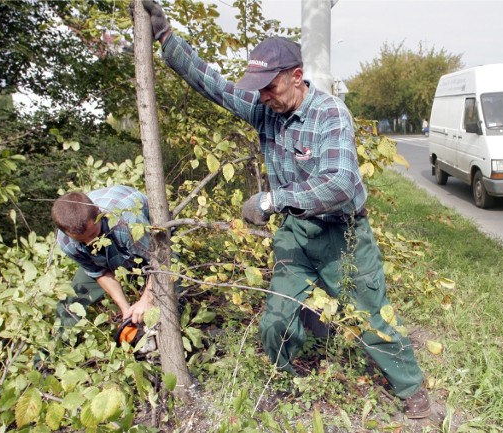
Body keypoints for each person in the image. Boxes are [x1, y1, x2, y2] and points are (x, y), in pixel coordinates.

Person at [137, 1, 430, 418]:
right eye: (259, 89)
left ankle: (411, 387)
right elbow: (215, 85)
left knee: (370, 320)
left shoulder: (329, 114)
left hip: (343, 236)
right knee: (275, 318)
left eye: (270, 87)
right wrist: (166, 38)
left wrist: (273, 200)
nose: (263, 97)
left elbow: (340, 184)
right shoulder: (265, 109)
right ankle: (288, 379)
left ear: (296, 77)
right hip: (296, 233)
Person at [51, 185, 154, 327]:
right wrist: (126, 310)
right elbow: (99, 272)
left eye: (93, 234)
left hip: (151, 247)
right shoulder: (66, 241)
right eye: (81, 240)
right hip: (109, 258)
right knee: (68, 308)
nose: (90, 243)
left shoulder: (127, 223)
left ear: (99, 214)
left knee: (165, 300)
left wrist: (147, 299)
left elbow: (162, 261)